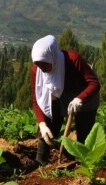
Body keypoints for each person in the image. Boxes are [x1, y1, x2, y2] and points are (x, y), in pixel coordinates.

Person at [31, 35, 100, 165]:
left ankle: (84, 163)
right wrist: (42, 124)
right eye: (38, 65)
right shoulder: (37, 69)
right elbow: (37, 99)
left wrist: (79, 99)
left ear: (53, 58)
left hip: (84, 93)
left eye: (45, 65)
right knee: (49, 125)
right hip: (58, 94)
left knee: (84, 132)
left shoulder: (73, 59)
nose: (42, 69)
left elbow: (94, 84)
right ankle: (41, 160)